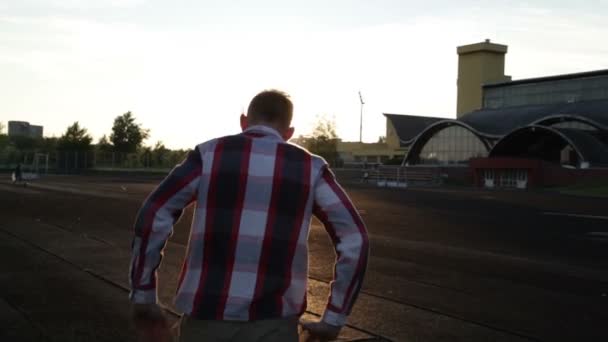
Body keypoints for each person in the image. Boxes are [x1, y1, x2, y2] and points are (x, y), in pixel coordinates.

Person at [129, 90, 369, 342]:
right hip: (274, 325)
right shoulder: (312, 167)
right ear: (289, 132)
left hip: (207, 319)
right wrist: (334, 318)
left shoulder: (208, 154)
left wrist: (143, 292)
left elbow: (154, 213)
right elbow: (356, 239)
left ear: (244, 121)